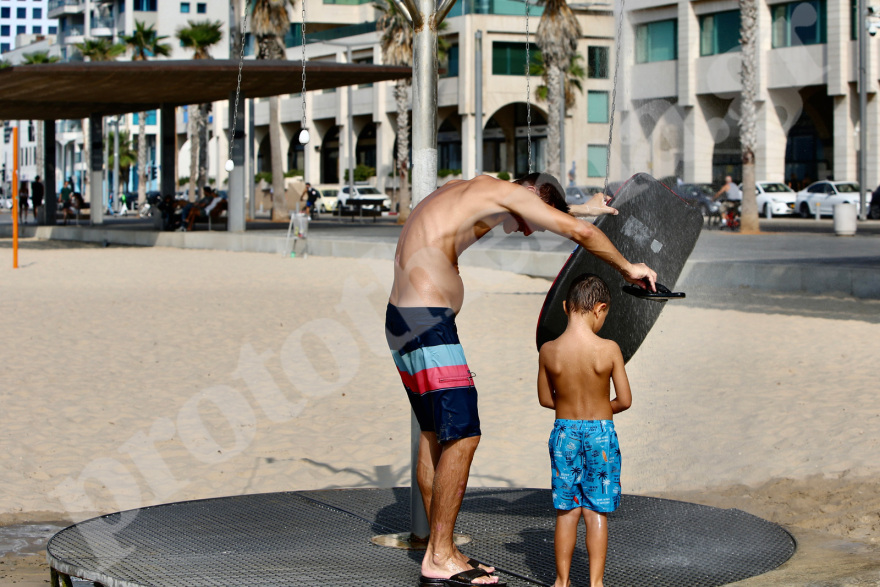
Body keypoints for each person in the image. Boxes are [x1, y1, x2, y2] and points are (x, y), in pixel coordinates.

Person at [385, 173, 656, 587]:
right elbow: (578, 233)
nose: (527, 231)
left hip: (401, 320)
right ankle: (439, 556)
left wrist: (583, 205)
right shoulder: (509, 196)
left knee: (434, 433)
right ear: (528, 196)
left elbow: (538, 207)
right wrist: (627, 266)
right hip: (426, 319)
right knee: (463, 434)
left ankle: (442, 548)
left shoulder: (470, 188)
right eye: (532, 220)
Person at [537, 273, 631, 587]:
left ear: (565, 307)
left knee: (567, 511)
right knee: (595, 511)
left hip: (564, 432)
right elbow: (625, 400)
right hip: (601, 434)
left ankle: (561, 582)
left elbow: (543, 399)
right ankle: (595, 583)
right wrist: (601, 410)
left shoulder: (549, 351)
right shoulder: (609, 349)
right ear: (600, 309)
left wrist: (569, 408)